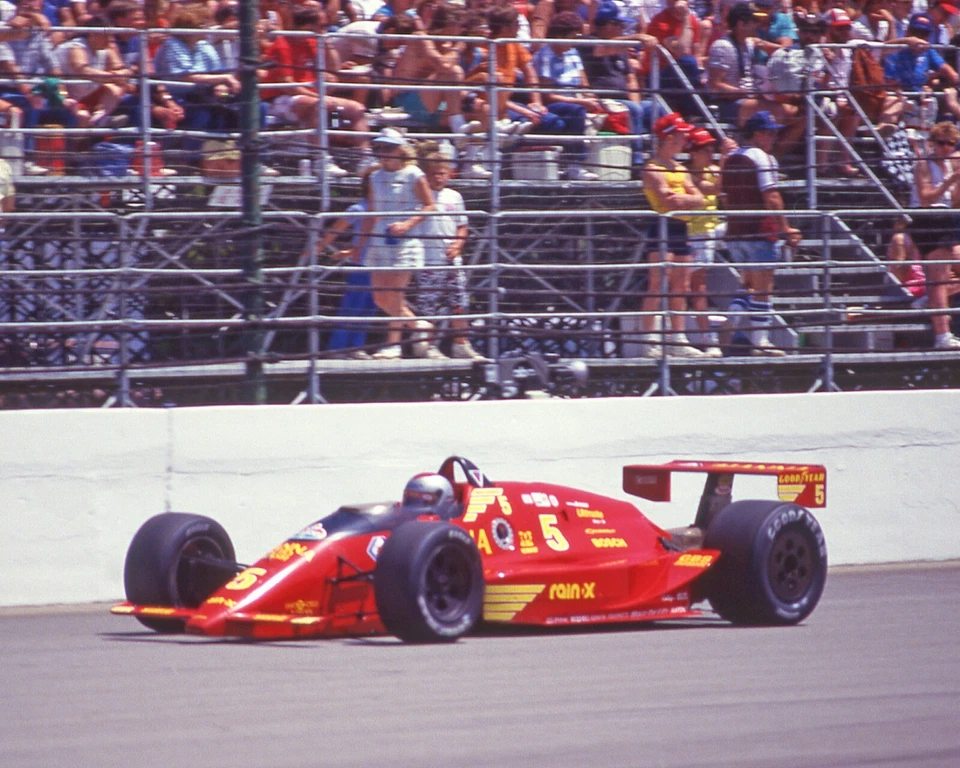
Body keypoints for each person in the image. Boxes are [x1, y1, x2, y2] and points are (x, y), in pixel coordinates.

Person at [349, 128, 438, 361]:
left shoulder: (413, 174)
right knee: (380, 297)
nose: (384, 153)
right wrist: (359, 245)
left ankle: (393, 345)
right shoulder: (375, 177)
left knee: (395, 295)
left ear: (400, 149)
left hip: (404, 240)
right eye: (380, 148)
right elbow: (371, 213)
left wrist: (407, 224)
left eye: (388, 148)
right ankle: (418, 324)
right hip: (380, 239)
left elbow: (430, 206)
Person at [721, 110, 801, 355]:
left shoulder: (731, 158)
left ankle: (732, 321)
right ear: (757, 134)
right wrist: (785, 228)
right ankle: (760, 342)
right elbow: (772, 197)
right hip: (759, 231)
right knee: (764, 287)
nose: (772, 138)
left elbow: (723, 196)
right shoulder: (763, 158)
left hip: (736, 232)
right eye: (768, 133)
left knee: (747, 284)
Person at [640, 111, 706, 358]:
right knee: (657, 283)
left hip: (681, 226)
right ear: (668, 138)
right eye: (679, 136)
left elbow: (699, 198)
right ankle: (650, 339)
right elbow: (667, 200)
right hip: (662, 224)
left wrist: (683, 199)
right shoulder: (653, 167)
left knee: (682, 284)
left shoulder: (679, 168)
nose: (684, 140)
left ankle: (678, 338)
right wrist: (685, 199)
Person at [415, 146, 485, 360]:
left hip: (452, 260)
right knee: (429, 305)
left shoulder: (455, 196)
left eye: (442, 173)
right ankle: (425, 347)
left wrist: (457, 245)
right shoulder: (417, 196)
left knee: (459, 302)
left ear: (449, 173)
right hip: (428, 260)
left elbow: (462, 225)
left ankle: (461, 344)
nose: (438, 178)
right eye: (433, 174)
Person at [531, 10, 602, 180]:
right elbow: (547, 96)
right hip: (555, 103)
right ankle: (575, 165)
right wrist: (581, 102)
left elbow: (584, 85)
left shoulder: (573, 53)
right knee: (576, 111)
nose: (576, 40)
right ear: (561, 35)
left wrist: (591, 98)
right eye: (573, 35)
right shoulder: (545, 55)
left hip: (574, 101)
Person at [317, 164, 379, 360]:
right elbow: (337, 228)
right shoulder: (359, 208)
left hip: (381, 264)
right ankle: (337, 347)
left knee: (370, 306)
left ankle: (355, 346)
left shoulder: (387, 208)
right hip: (362, 265)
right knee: (352, 306)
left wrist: (349, 250)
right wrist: (320, 247)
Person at [908, 120, 960, 348]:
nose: (947, 148)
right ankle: (942, 335)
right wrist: (951, 179)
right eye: (942, 143)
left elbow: (955, 201)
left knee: (943, 278)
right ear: (933, 143)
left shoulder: (951, 165)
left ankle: (928, 300)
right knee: (938, 277)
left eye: (951, 144)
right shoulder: (924, 164)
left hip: (947, 218)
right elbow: (927, 197)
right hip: (928, 218)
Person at [687, 126, 734, 357]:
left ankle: (739, 309)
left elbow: (725, 191)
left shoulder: (713, 170)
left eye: (711, 149)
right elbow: (716, 188)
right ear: (693, 152)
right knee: (698, 288)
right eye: (704, 149)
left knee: (753, 235)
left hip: (713, 229)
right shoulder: (689, 175)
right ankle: (708, 338)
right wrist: (725, 160)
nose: (709, 153)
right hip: (696, 232)